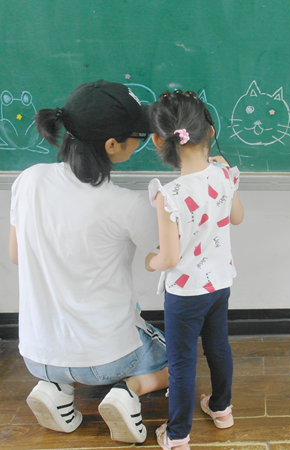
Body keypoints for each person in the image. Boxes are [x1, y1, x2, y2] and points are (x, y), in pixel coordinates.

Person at [8, 80, 169, 443]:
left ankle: (55, 389)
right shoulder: (126, 204)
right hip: (106, 359)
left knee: (66, 361)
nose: (143, 140)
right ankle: (127, 393)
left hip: (37, 355)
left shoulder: (29, 180)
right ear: (112, 145)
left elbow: (17, 255)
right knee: (180, 357)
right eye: (139, 135)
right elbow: (169, 252)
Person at [145, 90, 244, 450]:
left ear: (158, 140)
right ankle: (221, 409)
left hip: (186, 293)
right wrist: (226, 177)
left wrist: (150, 260)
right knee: (218, 346)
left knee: (182, 362)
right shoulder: (224, 174)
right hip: (219, 283)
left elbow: (169, 259)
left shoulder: (168, 194)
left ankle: (177, 436)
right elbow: (237, 217)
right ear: (210, 132)